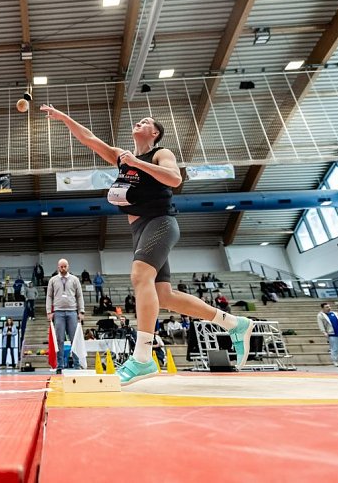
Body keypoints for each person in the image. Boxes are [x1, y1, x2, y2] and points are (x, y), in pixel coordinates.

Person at [41, 105, 254, 384]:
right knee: (164, 296)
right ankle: (234, 323)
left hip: (161, 222)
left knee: (140, 275)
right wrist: (63, 117)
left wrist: (138, 163)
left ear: (154, 133)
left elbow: (174, 178)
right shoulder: (122, 157)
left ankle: (143, 358)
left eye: (145, 122)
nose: (139, 122)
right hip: (140, 230)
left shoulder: (160, 153)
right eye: (139, 120)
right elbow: (89, 139)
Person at [45, 258, 85, 373]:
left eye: (65, 266)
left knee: (74, 339)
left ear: (68, 266)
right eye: (61, 267)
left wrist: (81, 311)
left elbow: (79, 296)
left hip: (72, 311)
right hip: (58, 312)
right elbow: (49, 296)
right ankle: (60, 365)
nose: (63, 268)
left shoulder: (75, 279)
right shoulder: (53, 280)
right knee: (59, 340)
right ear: (58, 267)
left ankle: (77, 364)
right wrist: (49, 311)